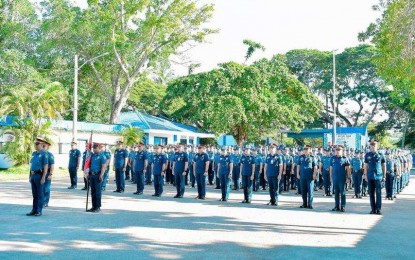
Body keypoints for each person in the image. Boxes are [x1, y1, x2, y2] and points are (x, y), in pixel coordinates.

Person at [27, 138, 49, 216]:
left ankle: (39, 210)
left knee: (40, 194)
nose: (35, 145)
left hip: (39, 175)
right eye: (35, 144)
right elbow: (31, 166)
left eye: (37, 144)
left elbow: (46, 166)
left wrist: (43, 177)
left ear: (41, 144)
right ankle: (34, 209)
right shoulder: (34, 154)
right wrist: (30, 175)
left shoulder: (44, 154)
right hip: (33, 175)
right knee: (34, 194)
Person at [364, 139, 386, 215]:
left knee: (378, 193)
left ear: (377, 146)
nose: (373, 147)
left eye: (374, 145)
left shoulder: (381, 155)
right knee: (371, 193)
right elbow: (366, 166)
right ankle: (373, 209)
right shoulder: (367, 155)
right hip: (370, 176)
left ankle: (378, 209)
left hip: (378, 176)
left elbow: (384, 165)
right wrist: (365, 175)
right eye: (371, 145)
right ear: (370, 146)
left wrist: (384, 175)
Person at [86, 143, 108, 213]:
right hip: (91, 175)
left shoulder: (102, 156)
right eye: (93, 148)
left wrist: (101, 175)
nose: (94, 149)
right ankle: (93, 206)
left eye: (95, 148)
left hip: (98, 175)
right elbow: (88, 165)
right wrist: (87, 174)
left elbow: (104, 166)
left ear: (99, 148)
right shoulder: (92, 156)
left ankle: (98, 207)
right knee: (93, 192)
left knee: (98, 192)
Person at [330, 146, 350, 212]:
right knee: (336, 193)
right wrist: (331, 176)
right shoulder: (332, 158)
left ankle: (343, 206)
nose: (337, 151)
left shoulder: (345, 158)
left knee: (342, 192)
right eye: (336, 150)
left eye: (339, 150)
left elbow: (348, 169)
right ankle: (336, 206)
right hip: (335, 178)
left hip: (342, 178)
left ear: (342, 151)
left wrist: (348, 177)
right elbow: (331, 168)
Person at [297, 145, 317, 209]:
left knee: (310, 191)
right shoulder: (301, 157)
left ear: (310, 150)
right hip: (302, 176)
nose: (305, 150)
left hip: (310, 176)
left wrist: (314, 174)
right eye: (304, 149)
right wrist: (297, 173)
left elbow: (315, 166)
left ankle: (310, 204)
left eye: (307, 149)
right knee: (303, 191)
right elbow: (298, 166)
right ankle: (304, 203)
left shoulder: (312, 157)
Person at [43, 139, 54, 208]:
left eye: (45, 145)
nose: (44, 146)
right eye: (43, 145)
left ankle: (45, 202)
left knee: (46, 188)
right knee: (40, 188)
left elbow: (52, 165)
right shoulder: (39, 153)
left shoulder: (50, 155)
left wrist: (50, 174)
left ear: (48, 146)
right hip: (40, 173)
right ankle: (40, 201)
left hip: (47, 173)